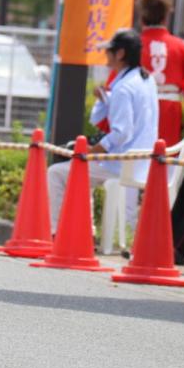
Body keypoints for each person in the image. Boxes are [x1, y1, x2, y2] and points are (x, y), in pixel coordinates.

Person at [49, 29, 156, 231]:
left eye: (109, 51)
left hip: (121, 163)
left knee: (56, 173)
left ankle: (57, 232)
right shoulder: (145, 79)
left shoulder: (123, 88)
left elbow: (122, 132)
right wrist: (105, 99)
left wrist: (93, 150)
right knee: (80, 170)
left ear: (120, 54)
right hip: (141, 159)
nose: (106, 55)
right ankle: (84, 231)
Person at [136, 0, 184, 150]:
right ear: (166, 16)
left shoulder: (134, 45)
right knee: (165, 159)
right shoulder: (179, 46)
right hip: (170, 109)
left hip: (139, 107)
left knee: (137, 156)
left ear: (141, 16)